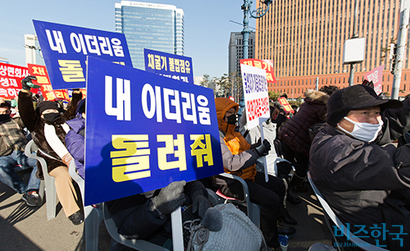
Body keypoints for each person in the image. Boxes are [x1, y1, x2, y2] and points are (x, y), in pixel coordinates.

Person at [310, 85, 410, 250]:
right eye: (365, 113)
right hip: (384, 230)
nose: (375, 121)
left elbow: (392, 122)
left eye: (377, 113)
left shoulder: (339, 133)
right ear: (339, 118)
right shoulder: (339, 152)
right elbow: (398, 167)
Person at [214, 97, 295, 250]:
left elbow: (247, 148)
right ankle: (270, 241)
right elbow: (231, 163)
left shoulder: (234, 133)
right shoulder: (216, 137)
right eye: (228, 113)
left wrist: (258, 146)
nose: (233, 115)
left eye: (234, 112)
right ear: (219, 114)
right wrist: (256, 152)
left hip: (246, 175)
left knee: (278, 185)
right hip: (232, 182)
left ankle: (274, 224)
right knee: (270, 200)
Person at [18, 76, 84, 225]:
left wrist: (75, 91)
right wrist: (25, 91)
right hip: (53, 162)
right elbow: (26, 111)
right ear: (40, 114)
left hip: (76, 154)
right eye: (46, 110)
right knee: (63, 174)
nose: (50, 112)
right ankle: (73, 211)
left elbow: (74, 107)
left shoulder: (64, 120)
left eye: (53, 109)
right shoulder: (36, 125)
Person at [106, 180, 212, 249]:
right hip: (157, 238)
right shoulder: (118, 173)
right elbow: (127, 227)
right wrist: (157, 207)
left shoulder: (165, 150)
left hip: (190, 224)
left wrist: (198, 193)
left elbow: (188, 179)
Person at [278, 87, 338, 192]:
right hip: (300, 136)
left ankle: (284, 183)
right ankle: (297, 186)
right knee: (303, 164)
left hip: (288, 130)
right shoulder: (324, 107)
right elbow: (327, 121)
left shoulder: (310, 102)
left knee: (288, 160)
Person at [0, 98, 40, 206]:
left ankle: (31, 190)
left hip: (23, 152)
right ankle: (24, 190)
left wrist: (25, 97)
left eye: (6, 112)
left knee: (40, 162)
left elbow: (29, 115)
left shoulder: (15, 121)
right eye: (0, 112)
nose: (3, 114)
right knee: (1, 168)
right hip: (4, 155)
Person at [65, 99, 86, 179]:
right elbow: (80, 155)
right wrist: (94, 134)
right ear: (83, 114)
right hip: (91, 174)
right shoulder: (74, 133)